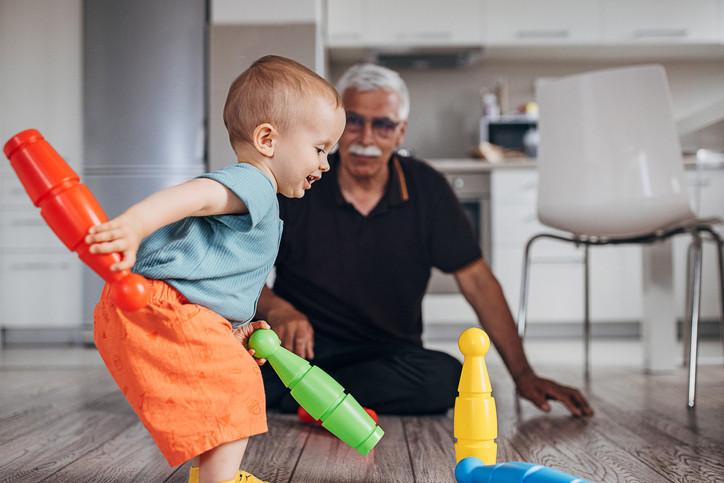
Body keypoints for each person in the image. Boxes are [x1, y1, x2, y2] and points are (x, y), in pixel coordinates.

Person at [256, 63, 594, 418]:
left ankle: (313, 397)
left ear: (400, 132)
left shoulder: (427, 188)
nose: (366, 138)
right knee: (241, 371)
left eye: (383, 125)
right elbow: (243, 271)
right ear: (338, 127)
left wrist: (523, 374)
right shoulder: (301, 180)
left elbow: (478, 282)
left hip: (388, 355)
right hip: (302, 349)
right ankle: (322, 399)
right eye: (354, 122)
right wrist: (279, 309)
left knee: (448, 379)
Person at [87, 55, 345, 483]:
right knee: (238, 388)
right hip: (163, 307)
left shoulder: (258, 194)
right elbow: (195, 195)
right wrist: (134, 224)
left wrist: (228, 329)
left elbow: (211, 276)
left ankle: (208, 475)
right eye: (319, 149)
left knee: (215, 388)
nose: (325, 164)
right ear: (267, 139)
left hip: (162, 308)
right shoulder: (255, 183)